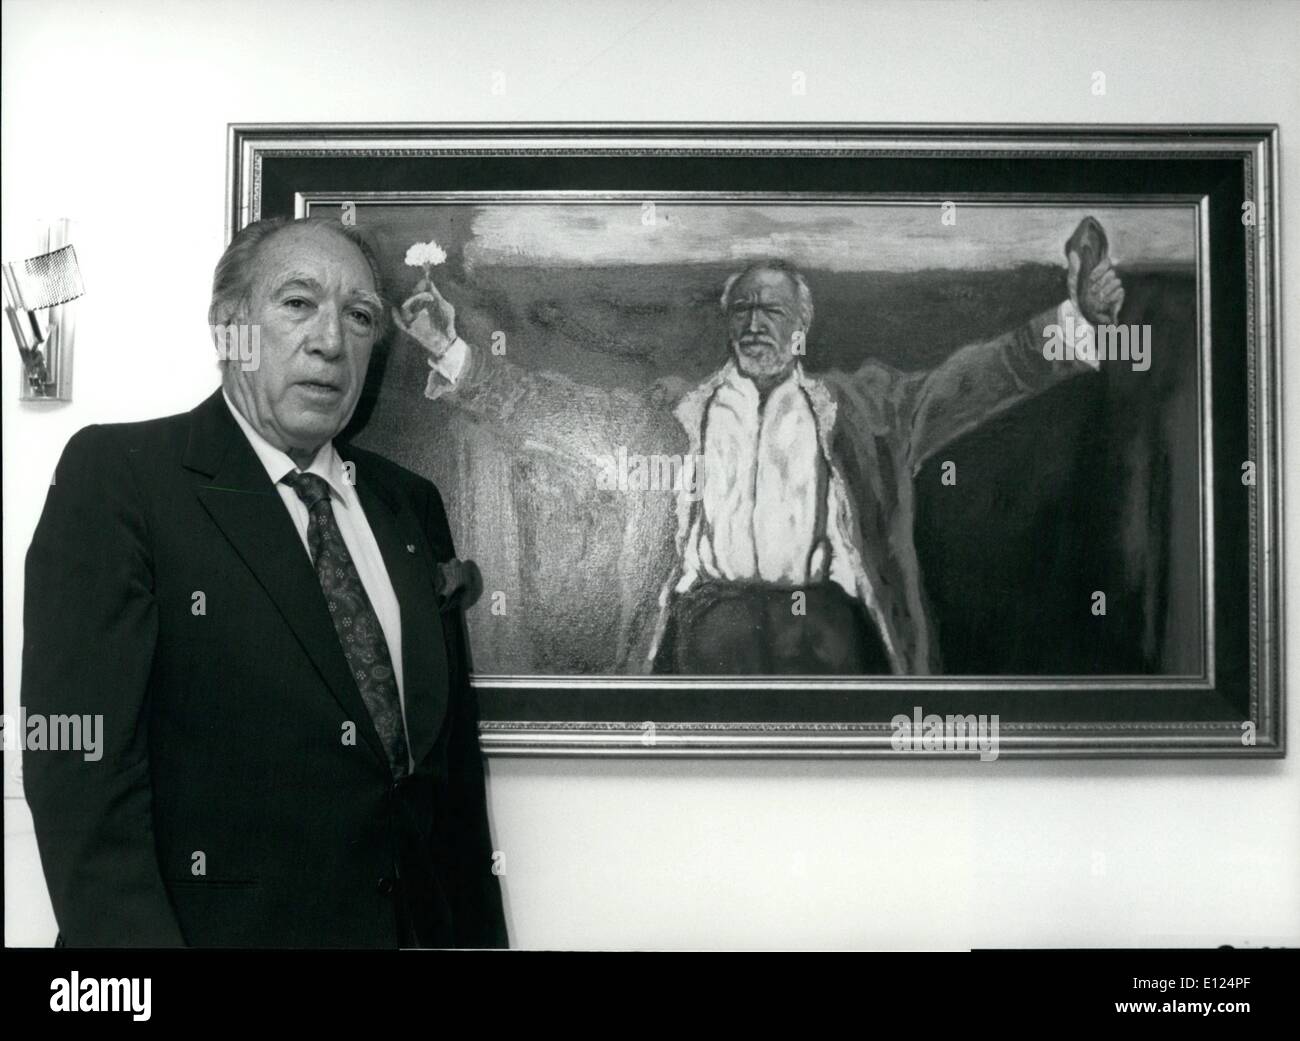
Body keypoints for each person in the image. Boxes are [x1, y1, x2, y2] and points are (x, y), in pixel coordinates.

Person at [22, 216, 507, 948]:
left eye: (360, 315)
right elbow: (79, 779)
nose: (330, 341)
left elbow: (452, 798)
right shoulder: (123, 479)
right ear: (228, 329)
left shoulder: (410, 505)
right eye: (298, 303)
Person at [397, 217, 1123, 675]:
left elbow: (973, 380)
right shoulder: (672, 417)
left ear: (802, 328)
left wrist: (1073, 320)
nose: (754, 323)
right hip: (706, 630)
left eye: (770, 309)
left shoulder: (864, 409)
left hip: (827, 635)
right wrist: (454, 352)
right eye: (742, 309)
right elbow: (556, 411)